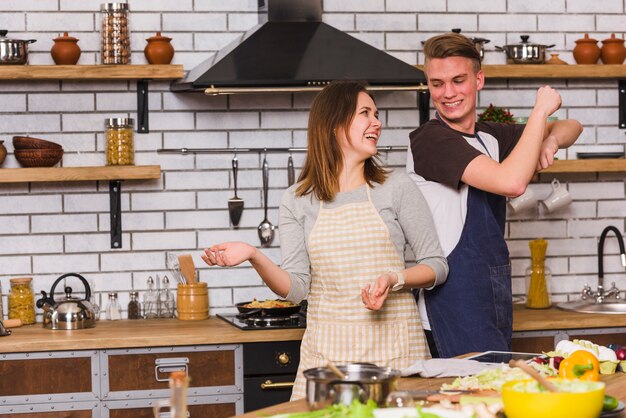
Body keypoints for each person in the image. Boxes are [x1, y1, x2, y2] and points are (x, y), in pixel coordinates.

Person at [202, 80, 448, 399]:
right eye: (365, 113)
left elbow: (437, 266)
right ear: (334, 125)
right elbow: (297, 289)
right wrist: (253, 255)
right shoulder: (297, 199)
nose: (377, 123)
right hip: (328, 359)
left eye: (377, 114)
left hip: (396, 352)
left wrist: (394, 279)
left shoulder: (397, 187)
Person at [407, 33, 583, 358]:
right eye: (437, 83)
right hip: (453, 300)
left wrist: (550, 142)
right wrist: (540, 111)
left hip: (492, 293)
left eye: (458, 80)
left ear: (479, 80)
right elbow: (512, 183)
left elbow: (572, 125)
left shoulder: (490, 136)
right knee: (472, 402)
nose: (447, 93)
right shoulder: (430, 140)